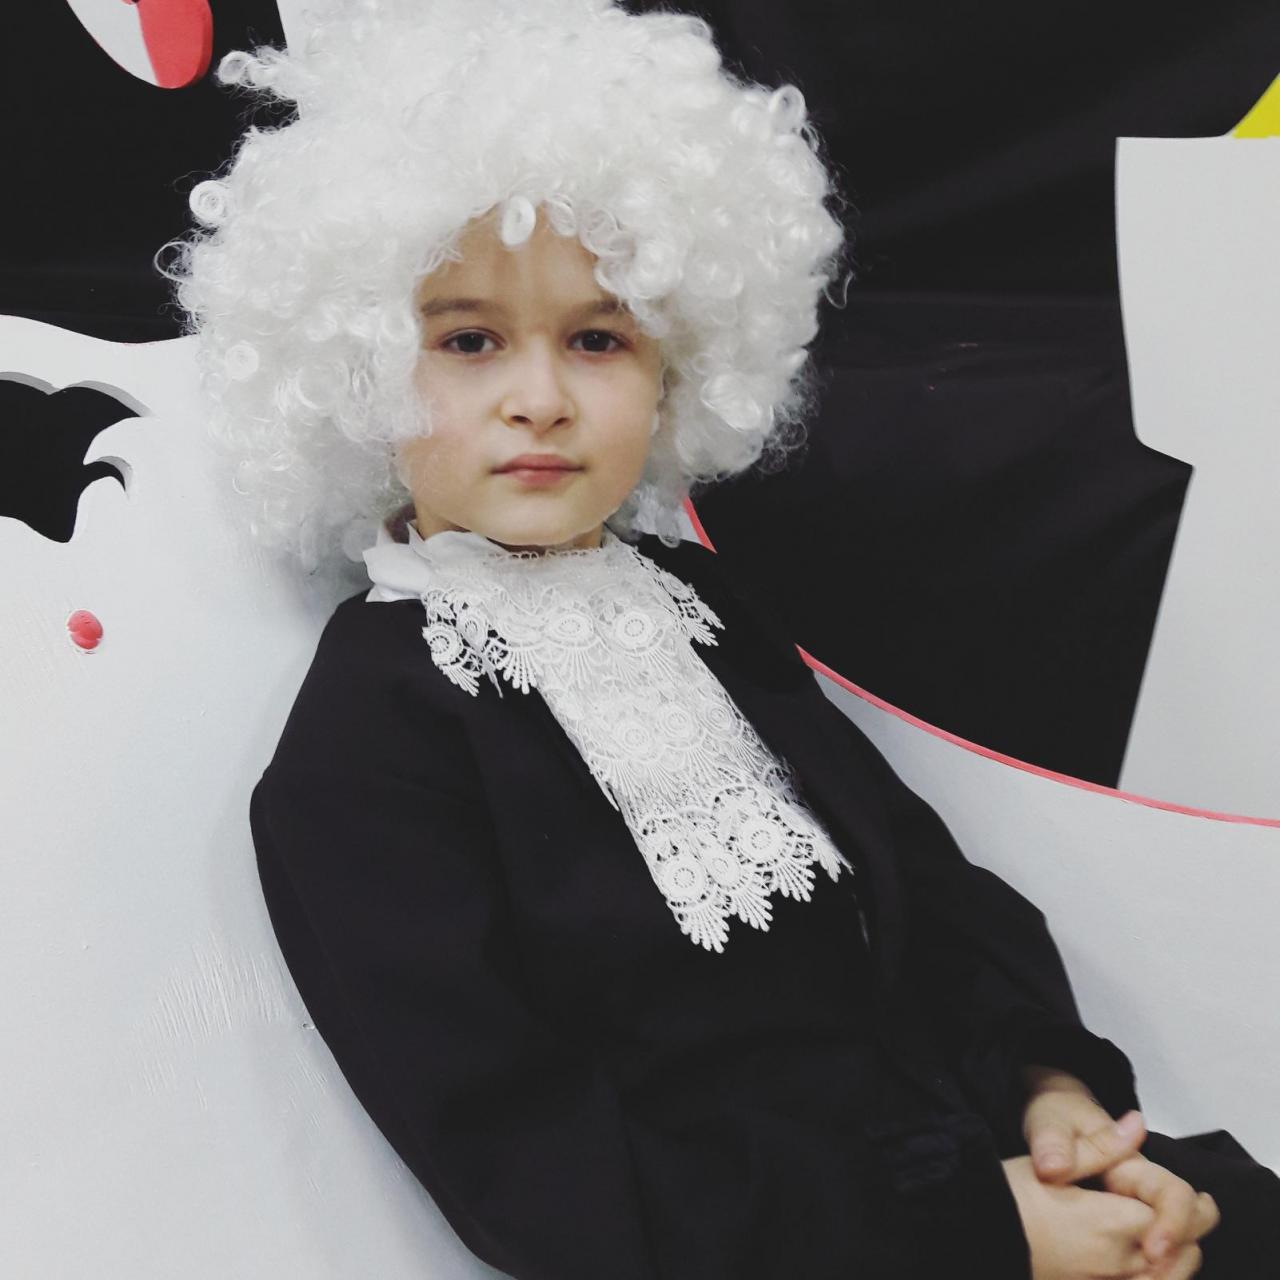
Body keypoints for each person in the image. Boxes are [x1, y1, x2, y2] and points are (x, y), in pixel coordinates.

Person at [159, 1, 1280, 1276]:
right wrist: (981, 1233)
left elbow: (924, 892)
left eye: (597, 337)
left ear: (675, 364)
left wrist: (1052, 1100)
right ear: (355, 367)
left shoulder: (702, 612)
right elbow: (535, 1177)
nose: (540, 396)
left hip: (987, 1166)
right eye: (468, 340)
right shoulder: (367, 749)